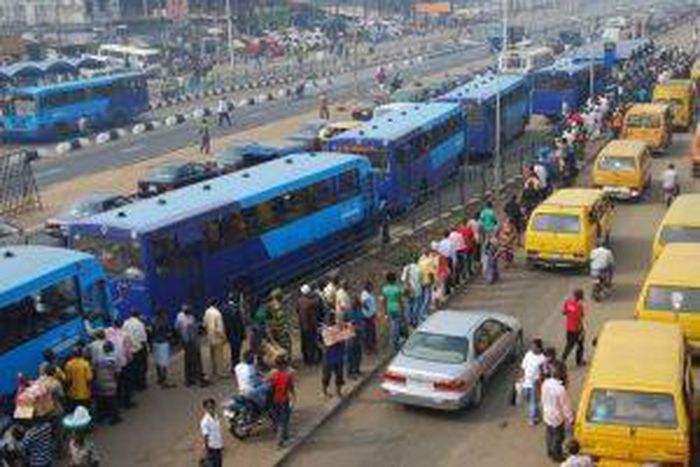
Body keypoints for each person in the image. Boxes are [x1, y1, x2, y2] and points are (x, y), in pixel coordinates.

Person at [541, 367, 574, 462]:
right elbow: (565, 406)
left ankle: (550, 451)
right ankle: (556, 456)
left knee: (549, 433)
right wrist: (570, 418)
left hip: (547, 413)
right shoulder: (560, 389)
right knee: (558, 437)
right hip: (557, 416)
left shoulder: (546, 383)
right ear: (560, 375)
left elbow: (543, 397)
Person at [105, 320, 134, 410]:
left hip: (113, 363)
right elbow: (128, 351)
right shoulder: (125, 335)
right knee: (126, 383)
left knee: (117, 383)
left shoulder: (108, 333)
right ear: (122, 325)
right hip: (123, 362)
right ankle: (127, 402)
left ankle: (119, 402)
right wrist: (130, 359)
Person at [175, 304, 207, 387]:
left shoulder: (179, 317)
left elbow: (177, 328)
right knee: (197, 361)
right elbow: (194, 333)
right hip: (192, 343)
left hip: (185, 342)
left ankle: (189, 380)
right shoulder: (191, 320)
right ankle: (200, 380)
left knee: (188, 361)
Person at [267, 358, 296, 448]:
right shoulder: (287, 376)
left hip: (273, 401)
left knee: (278, 420)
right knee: (283, 421)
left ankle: (285, 436)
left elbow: (267, 385)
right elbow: (291, 388)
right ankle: (279, 442)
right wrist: (294, 398)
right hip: (283, 400)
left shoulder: (272, 376)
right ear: (283, 366)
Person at [520, 338, 547, 426]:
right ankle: (537, 414)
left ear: (539, 348)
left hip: (535, 384)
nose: (532, 348)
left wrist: (540, 381)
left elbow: (544, 372)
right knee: (527, 400)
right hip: (525, 382)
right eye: (532, 346)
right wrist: (521, 377)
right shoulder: (528, 354)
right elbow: (523, 366)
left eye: (534, 347)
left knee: (533, 402)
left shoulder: (542, 359)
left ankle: (532, 419)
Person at [94, 341, 121, 425]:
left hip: (99, 381)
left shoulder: (98, 358)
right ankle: (114, 418)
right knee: (112, 400)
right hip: (110, 382)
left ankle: (101, 417)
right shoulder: (114, 359)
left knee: (101, 400)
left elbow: (94, 368)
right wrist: (116, 380)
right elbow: (117, 372)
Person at [122, 310, 149, 391]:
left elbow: (123, 335)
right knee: (141, 367)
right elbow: (143, 338)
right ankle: (141, 385)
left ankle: (133, 385)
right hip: (138, 349)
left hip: (129, 350)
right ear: (138, 315)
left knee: (132, 368)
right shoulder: (140, 324)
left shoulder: (125, 323)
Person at [321, 313, 346, 398]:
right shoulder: (326, 330)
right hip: (334, 356)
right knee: (331, 375)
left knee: (332, 375)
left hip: (331, 356)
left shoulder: (335, 329)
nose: (330, 322)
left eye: (331, 320)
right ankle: (334, 392)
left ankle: (331, 392)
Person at [203, 299, 228, 380]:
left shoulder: (206, 312)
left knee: (212, 355)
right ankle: (220, 373)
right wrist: (224, 337)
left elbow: (204, 324)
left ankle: (214, 370)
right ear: (216, 304)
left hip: (209, 337)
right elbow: (219, 328)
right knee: (219, 356)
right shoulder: (217, 314)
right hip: (217, 338)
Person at [222, 290, 247, 373]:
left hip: (230, 335)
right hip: (238, 335)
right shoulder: (237, 310)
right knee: (237, 352)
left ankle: (234, 366)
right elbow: (241, 324)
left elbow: (224, 324)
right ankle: (237, 366)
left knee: (233, 351)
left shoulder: (224, 309)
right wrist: (244, 335)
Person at [297, 284, 322, 365]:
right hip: (309, 326)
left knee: (304, 343)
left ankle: (306, 359)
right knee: (311, 343)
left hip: (302, 325)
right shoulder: (310, 301)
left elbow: (297, 310)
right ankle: (311, 360)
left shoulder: (299, 301)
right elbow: (317, 301)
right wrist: (316, 294)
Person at [151, 307, 175, 389]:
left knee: (157, 361)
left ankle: (159, 378)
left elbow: (152, 332)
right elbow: (168, 332)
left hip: (155, 342)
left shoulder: (153, 320)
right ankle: (164, 381)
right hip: (163, 342)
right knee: (164, 363)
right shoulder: (164, 321)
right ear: (162, 314)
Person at [561, 289, 586, 367]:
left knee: (569, 345)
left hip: (569, 328)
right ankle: (579, 361)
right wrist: (582, 331)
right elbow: (580, 317)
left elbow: (563, 312)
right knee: (580, 345)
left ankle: (563, 359)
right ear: (580, 297)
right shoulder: (579, 306)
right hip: (577, 329)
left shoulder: (568, 302)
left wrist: (569, 314)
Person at [380, 272, 404, 352]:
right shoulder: (397, 289)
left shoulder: (384, 289)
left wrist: (385, 312)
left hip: (389, 309)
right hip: (397, 309)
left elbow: (383, 301)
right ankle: (395, 343)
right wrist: (402, 311)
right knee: (396, 326)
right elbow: (400, 301)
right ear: (394, 280)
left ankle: (392, 342)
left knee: (392, 325)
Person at [64, 348, 93, 413]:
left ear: (73, 354)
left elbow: (68, 380)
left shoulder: (68, 364)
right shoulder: (85, 364)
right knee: (85, 410)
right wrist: (89, 390)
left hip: (73, 393)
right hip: (84, 393)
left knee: (76, 411)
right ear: (81, 354)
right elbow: (89, 379)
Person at [268, 289, 293, 361]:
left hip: (275, 329)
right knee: (286, 345)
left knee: (278, 346)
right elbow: (282, 321)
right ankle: (286, 360)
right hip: (281, 330)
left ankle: (282, 360)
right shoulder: (279, 308)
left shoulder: (271, 305)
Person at [200, 398, 223, 467]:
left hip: (218, 446)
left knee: (219, 464)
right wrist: (207, 449)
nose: (211, 409)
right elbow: (205, 436)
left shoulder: (216, 416)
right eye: (209, 407)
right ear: (205, 408)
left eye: (212, 407)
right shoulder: (205, 421)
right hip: (211, 448)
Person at [345, 296, 364, 378]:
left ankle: (356, 369)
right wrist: (350, 325)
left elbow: (362, 321)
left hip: (359, 335)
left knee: (358, 353)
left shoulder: (359, 311)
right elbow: (343, 323)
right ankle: (349, 372)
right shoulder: (348, 312)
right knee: (350, 354)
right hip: (350, 336)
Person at [401, 256, 422, 327]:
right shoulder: (419, 269)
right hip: (416, 289)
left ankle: (408, 320)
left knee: (408, 305)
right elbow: (420, 279)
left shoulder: (406, 268)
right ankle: (414, 320)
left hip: (408, 290)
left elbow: (403, 279)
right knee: (416, 306)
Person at [360, 281, 378, 353]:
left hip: (371, 316)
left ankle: (372, 346)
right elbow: (363, 303)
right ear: (367, 287)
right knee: (369, 332)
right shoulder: (365, 294)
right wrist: (369, 310)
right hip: (368, 317)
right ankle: (369, 348)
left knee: (372, 331)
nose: (372, 288)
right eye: (371, 287)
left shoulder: (369, 293)